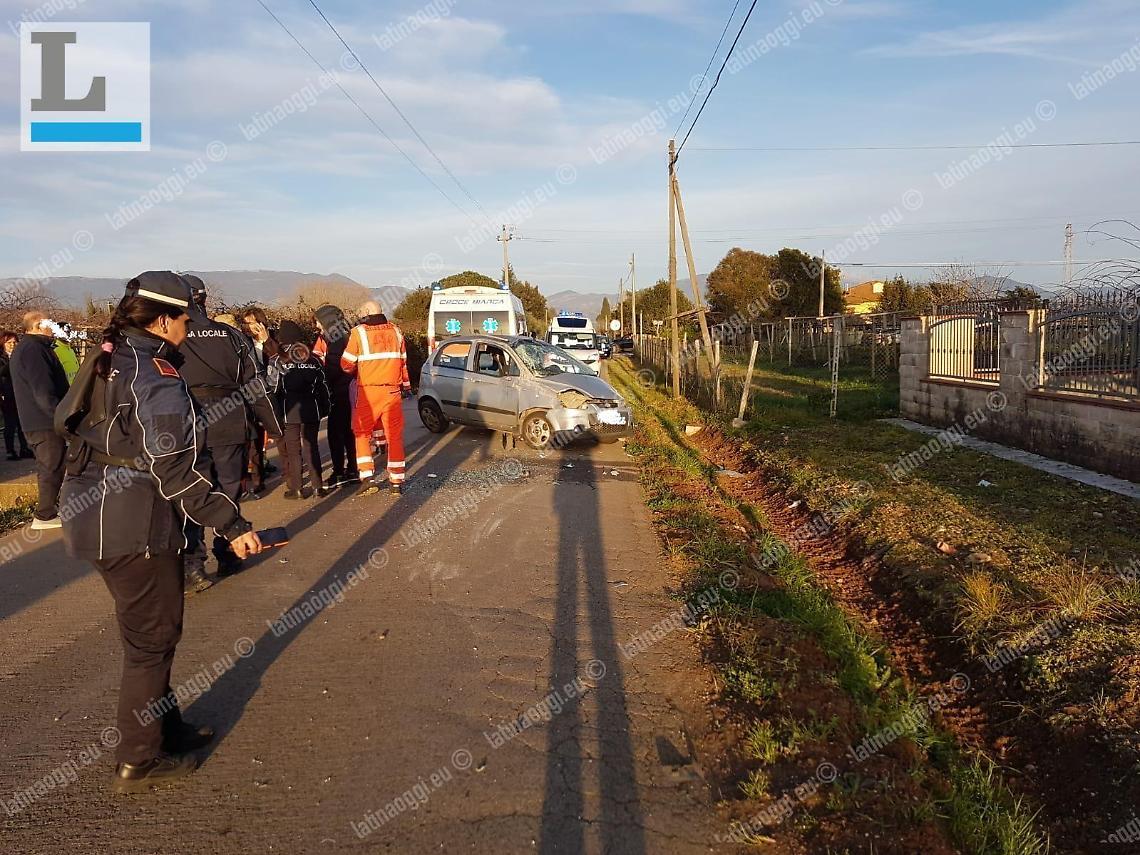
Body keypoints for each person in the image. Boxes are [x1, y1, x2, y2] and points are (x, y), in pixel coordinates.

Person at [57, 271, 264, 794]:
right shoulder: (156, 372)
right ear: (164, 318)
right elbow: (171, 467)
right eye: (185, 320)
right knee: (151, 641)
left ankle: (163, 727)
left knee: (151, 635)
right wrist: (231, 523)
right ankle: (138, 759)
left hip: (97, 512)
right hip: (134, 522)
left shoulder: (110, 352)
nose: (188, 329)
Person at [177, 276, 282, 591]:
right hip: (230, 421)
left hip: (187, 422)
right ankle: (228, 551)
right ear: (205, 299)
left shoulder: (170, 337)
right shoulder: (232, 335)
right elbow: (257, 386)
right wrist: (274, 427)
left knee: (192, 493)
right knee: (228, 488)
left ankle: (192, 564)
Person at [340, 300, 411, 496]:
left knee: (362, 433)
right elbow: (404, 362)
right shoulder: (396, 332)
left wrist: (359, 369)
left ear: (367, 312)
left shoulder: (358, 332)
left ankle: (368, 477)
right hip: (392, 392)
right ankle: (396, 481)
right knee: (394, 436)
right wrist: (406, 387)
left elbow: (346, 364)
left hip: (368, 392)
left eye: (362, 311)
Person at [10, 311, 70, 529]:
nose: (52, 327)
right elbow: (42, 390)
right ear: (36, 326)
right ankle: (45, 515)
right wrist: (60, 417)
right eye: (48, 323)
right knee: (51, 466)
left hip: (38, 419)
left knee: (53, 465)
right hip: (43, 421)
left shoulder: (33, 348)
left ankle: (51, 510)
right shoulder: (34, 350)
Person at [272, 321, 330, 499]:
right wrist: (324, 407)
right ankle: (318, 486)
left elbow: (273, 388)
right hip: (311, 409)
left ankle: (296, 488)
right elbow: (323, 385)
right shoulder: (312, 358)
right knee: (311, 447)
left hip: (289, 410)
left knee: (293, 450)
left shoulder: (277, 359)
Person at [312, 304, 358, 487]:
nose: (316, 326)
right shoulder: (345, 335)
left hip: (339, 392)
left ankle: (339, 472)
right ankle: (353, 468)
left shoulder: (335, 339)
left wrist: (323, 383)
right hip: (348, 390)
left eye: (317, 321)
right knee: (348, 432)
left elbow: (334, 366)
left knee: (336, 434)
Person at [240, 307, 279, 493]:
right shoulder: (242, 341)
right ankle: (257, 476)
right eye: (246, 323)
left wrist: (267, 341)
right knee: (253, 436)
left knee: (275, 432)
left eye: (252, 322)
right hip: (249, 394)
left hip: (270, 392)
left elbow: (281, 360)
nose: (249, 327)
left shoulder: (273, 339)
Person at [0, 333, 32, 460]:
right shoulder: (3, 358)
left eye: (14, 342)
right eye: (9, 343)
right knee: (10, 423)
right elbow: (2, 372)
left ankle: (24, 448)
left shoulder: (20, 356)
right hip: (7, 394)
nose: (12, 345)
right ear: (3, 344)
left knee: (22, 423)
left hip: (21, 393)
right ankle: (10, 450)